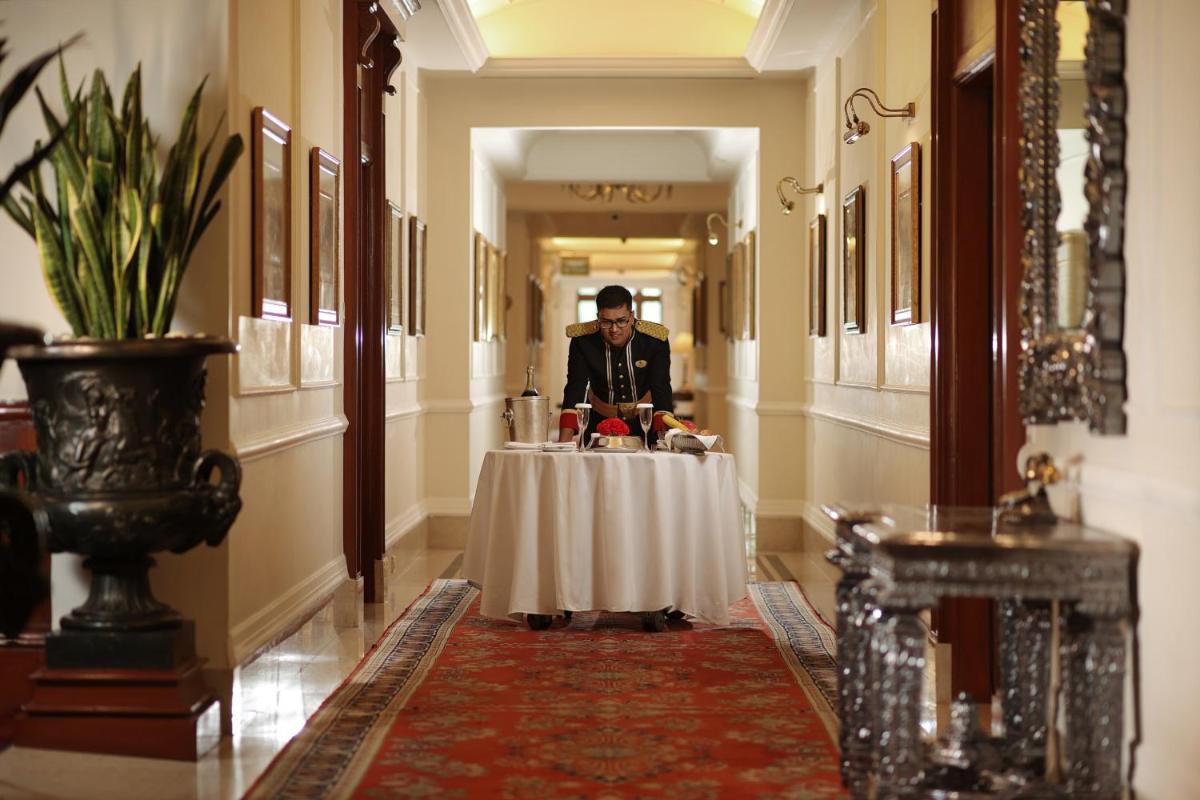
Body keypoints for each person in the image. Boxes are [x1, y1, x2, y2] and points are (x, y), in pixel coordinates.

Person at [558, 285, 674, 445]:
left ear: (632, 316)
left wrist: (664, 439)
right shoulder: (582, 341)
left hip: (644, 425)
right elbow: (575, 388)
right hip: (598, 424)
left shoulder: (654, 340)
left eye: (621, 321)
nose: (614, 329)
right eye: (606, 322)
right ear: (598, 317)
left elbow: (661, 388)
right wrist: (562, 445)